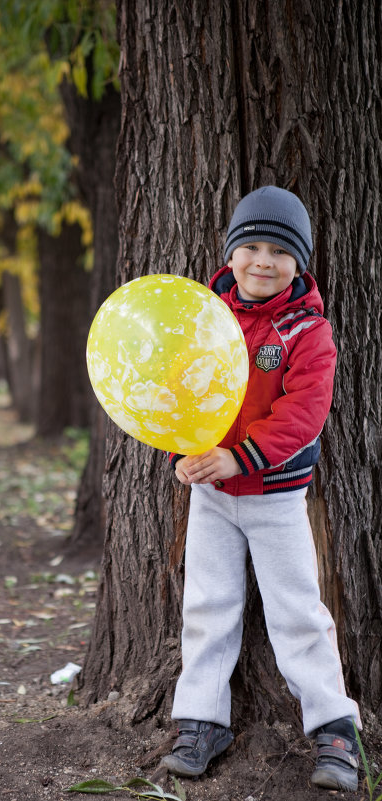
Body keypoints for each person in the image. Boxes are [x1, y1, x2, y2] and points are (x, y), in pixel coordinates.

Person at [162, 186, 361, 791]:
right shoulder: (205, 318)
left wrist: (239, 456)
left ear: (299, 262)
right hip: (214, 499)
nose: (263, 261)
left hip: (276, 498)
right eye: (250, 246)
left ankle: (334, 728)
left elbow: (304, 413)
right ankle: (201, 720)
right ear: (231, 252)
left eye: (280, 250)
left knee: (297, 611)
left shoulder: (308, 332)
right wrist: (186, 454)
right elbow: (178, 388)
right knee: (207, 607)